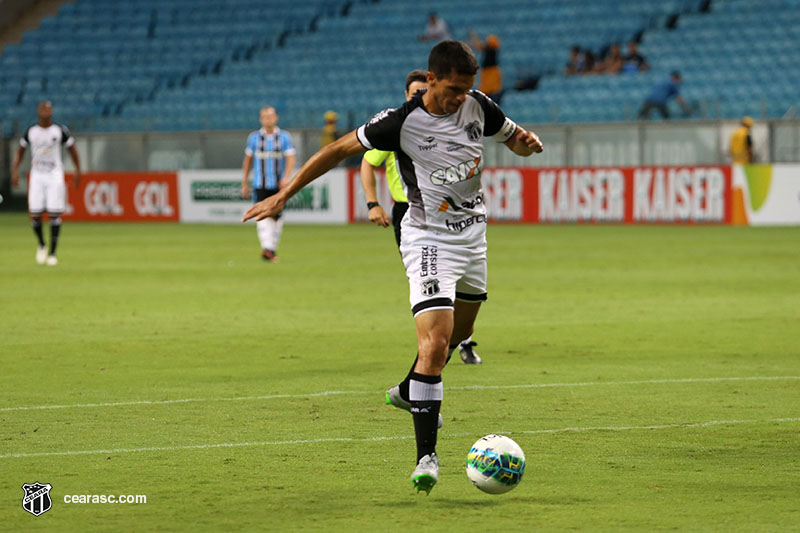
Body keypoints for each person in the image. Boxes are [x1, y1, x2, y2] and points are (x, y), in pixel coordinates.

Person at [243, 40, 543, 494]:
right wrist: (285, 193)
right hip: (427, 238)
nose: (461, 97)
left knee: (453, 340)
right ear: (433, 78)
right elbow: (338, 150)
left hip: (473, 237)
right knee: (436, 342)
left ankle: (409, 390)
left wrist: (525, 144)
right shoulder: (400, 121)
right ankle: (427, 458)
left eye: (467, 89)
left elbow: (513, 141)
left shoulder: (480, 107)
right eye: (454, 88)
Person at [359, 69, 484, 365]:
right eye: (413, 93)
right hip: (411, 215)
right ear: (406, 94)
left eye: (422, 91)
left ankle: (450, 344)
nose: (419, 96)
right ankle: (434, 348)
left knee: (450, 281)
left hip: (448, 211)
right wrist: (372, 203)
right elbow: (367, 162)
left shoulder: (445, 125)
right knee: (430, 281)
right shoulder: (399, 128)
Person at [11, 101, 81, 266]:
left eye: (48, 108)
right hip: (37, 175)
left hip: (54, 175)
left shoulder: (59, 130)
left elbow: (72, 149)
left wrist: (78, 170)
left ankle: (52, 253)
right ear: (37, 111)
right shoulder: (31, 131)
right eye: (43, 108)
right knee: (35, 215)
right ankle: (42, 244)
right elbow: (20, 151)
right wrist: (15, 170)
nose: (45, 111)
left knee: (54, 214)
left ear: (52, 112)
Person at [241, 106, 295, 262]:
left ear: (276, 118)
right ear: (261, 119)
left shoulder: (284, 137)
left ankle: (271, 248)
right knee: (262, 213)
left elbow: (290, 158)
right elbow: (248, 161)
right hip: (260, 183)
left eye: (271, 116)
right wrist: (244, 182)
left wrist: (286, 177)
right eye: (265, 116)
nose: (268, 119)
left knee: (277, 217)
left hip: (279, 184)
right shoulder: (254, 138)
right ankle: (268, 248)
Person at [468, 31, 503, 102]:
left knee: (488, 93)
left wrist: (473, 35)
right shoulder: (491, 49)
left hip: (490, 73)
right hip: (488, 73)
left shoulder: (491, 49)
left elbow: (479, 45)